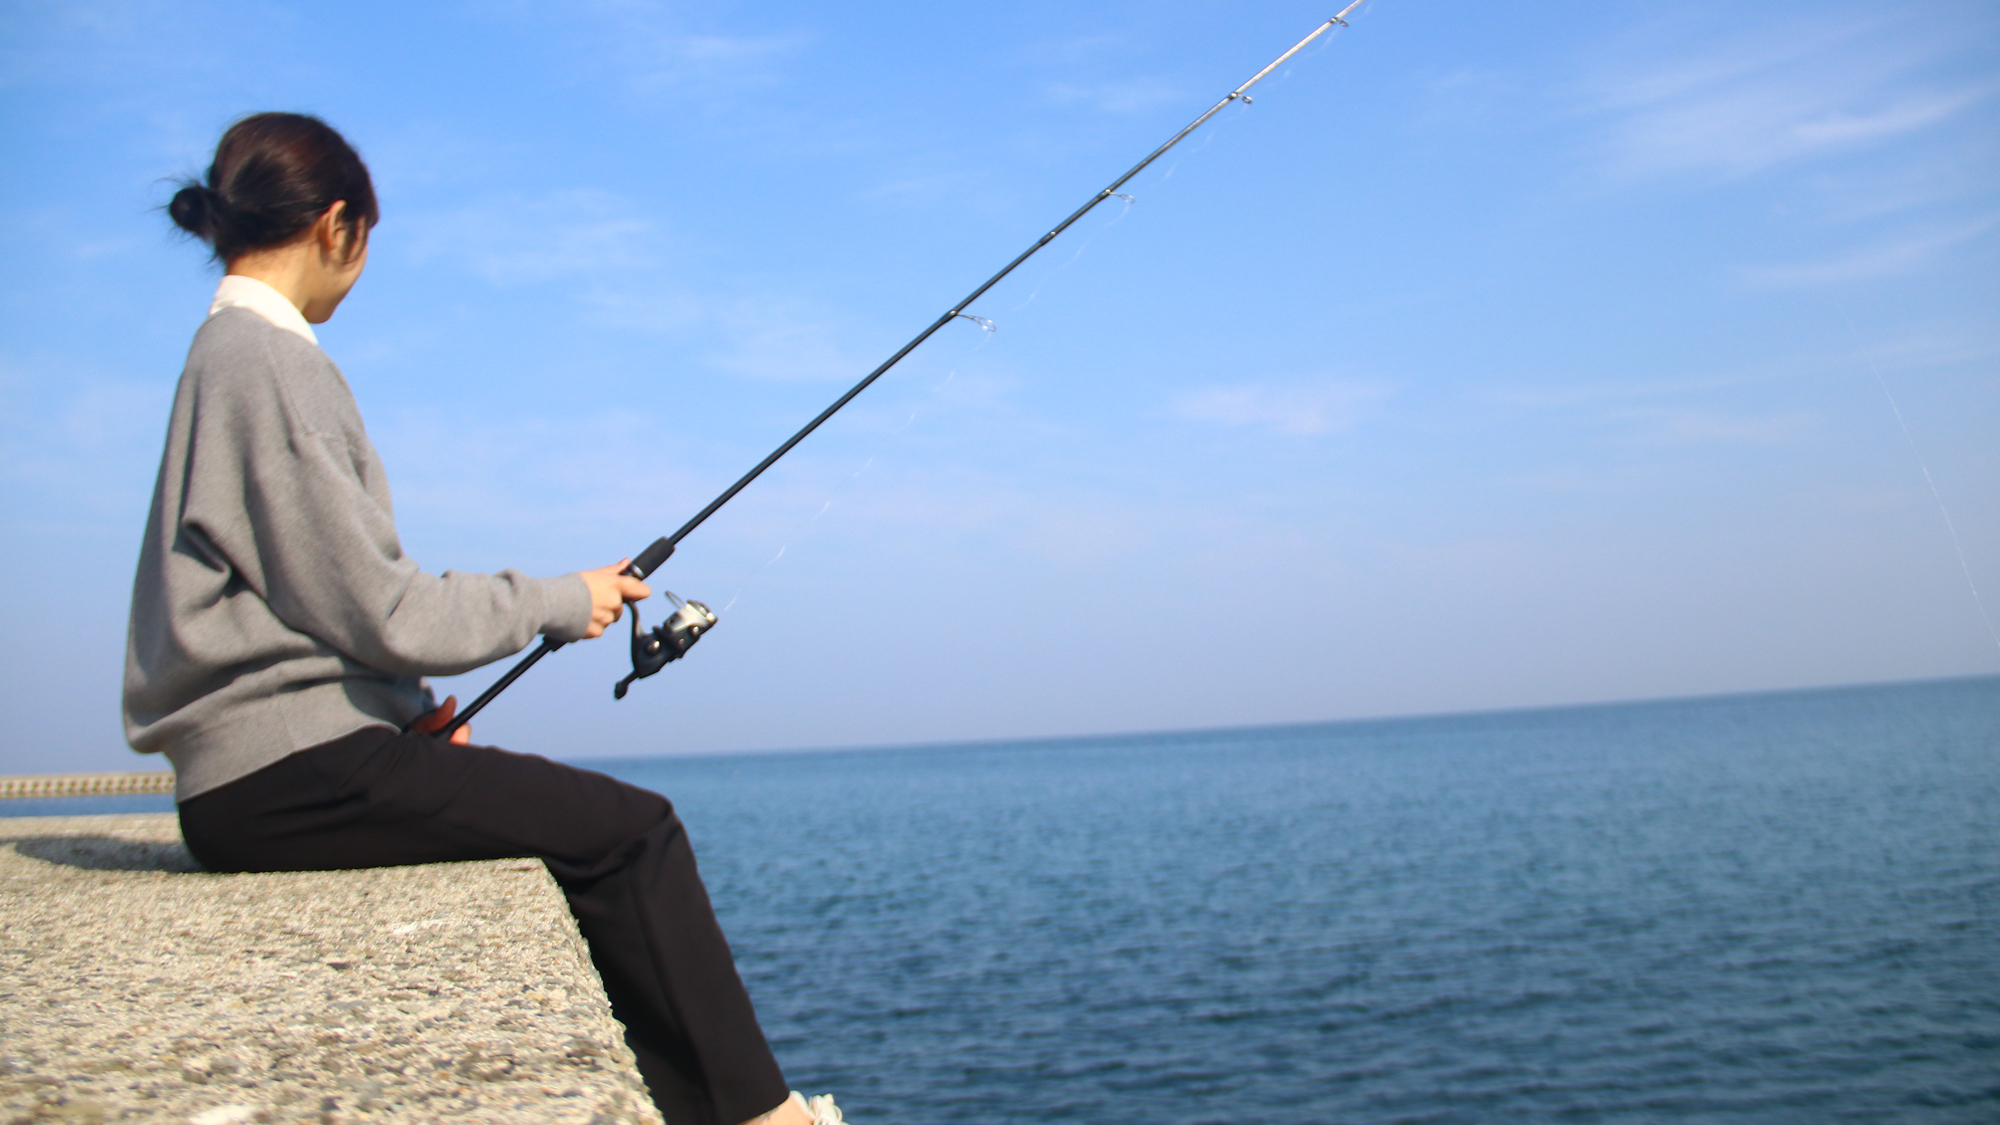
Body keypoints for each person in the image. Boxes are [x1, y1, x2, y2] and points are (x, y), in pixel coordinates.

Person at [125, 111, 842, 1125]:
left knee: (597, 832)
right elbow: (381, 606)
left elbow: (303, 602)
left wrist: (398, 714)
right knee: (633, 833)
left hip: (268, 767)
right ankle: (762, 1120)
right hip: (280, 775)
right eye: (366, 243)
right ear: (338, 227)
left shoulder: (224, 355)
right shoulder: (268, 361)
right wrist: (562, 600)